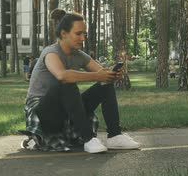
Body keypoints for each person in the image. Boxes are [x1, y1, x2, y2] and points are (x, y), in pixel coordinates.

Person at [25, 11, 140, 153]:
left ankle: (115, 136)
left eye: (84, 34)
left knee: (105, 85)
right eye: (78, 34)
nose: (83, 38)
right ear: (64, 33)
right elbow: (62, 75)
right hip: (44, 113)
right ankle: (88, 139)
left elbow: (100, 72)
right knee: (67, 82)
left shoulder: (78, 55)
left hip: (67, 108)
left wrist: (110, 74)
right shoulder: (51, 52)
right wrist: (98, 76)